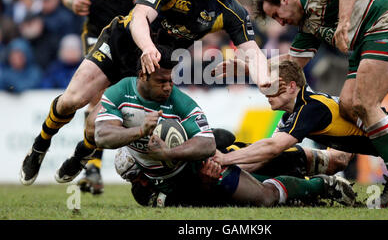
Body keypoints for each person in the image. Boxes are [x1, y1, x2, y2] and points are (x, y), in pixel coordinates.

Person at [20, 0, 273, 187]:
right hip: (120, 44)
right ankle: (40, 146)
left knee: (94, 126)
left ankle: (81, 154)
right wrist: (148, 47)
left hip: (150, 68)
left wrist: (265, 82)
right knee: (71, 101)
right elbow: (140, 17)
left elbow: (251, 49)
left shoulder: (228, 8)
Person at [250, 0, 388, 207]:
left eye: (276, 15)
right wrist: (249, 67)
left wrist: (343, 23)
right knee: (348, 105)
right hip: (368, 42)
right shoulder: (308, 26)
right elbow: (292, 63)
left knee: (363, 103)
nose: (281, 23)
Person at [88, 53, 355, 207]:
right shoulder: (147, 194)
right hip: (211, 176)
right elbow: (192, 201)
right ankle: (325, 187)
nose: (139, 180)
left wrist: (182, 152)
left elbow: (219, 138)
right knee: (264, 195)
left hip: (219, 157)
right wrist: (205, 178)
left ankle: (332, 164)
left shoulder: (176, 106)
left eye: (136, 176)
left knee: (309, 158)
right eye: (135, 179)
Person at [213, 60, 388, 207]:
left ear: (292, 86)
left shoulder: (310, 108)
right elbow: (267, 154)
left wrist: (225, 158)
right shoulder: (296, 112)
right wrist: (232, 171)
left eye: (271, 86)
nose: (265, 91)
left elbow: (272, 148)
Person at [59, 0, 174, 194]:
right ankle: (94, 168)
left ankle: (155, 168)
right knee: (97, 100)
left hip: (140, 39)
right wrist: (72, 2)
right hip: (99, 37)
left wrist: (152, 2)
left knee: (140, 101)